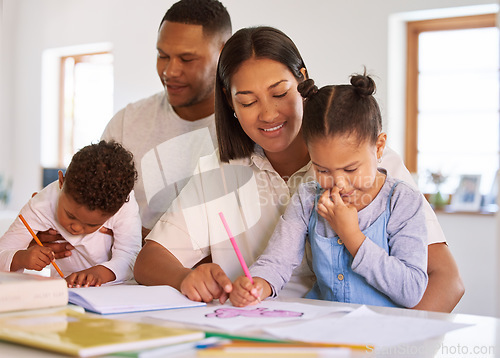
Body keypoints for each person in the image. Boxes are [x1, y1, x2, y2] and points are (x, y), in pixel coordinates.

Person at [134, 26, 464, 312]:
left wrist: (390, 344)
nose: (267, 114)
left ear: (302, 81)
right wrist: (185, 277)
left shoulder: (373, 166)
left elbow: (447, 281)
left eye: (279, 93)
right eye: (248, 102)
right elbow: (150, 260)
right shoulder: (219, 171)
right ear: (229, 102)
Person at [36, 0, 232, 253]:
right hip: (118, 282)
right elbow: (91, 208)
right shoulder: (128, 122)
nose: (169, 71)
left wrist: (142, 239)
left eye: (186, 58)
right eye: (162, 56)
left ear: (224, 52)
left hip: (208, 285)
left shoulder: (246, 129)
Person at [229, 75, 428, 308]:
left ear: (379, 146)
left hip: (381, 335)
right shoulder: (307, 199)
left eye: (351, 169)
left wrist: (352, 236)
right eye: (322, 169)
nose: (339, 183)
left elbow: (412, 290)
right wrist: (259, 284)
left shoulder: (401, 200)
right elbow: (278, 260)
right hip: (324, 331)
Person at [0, 141, 142, 287]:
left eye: (92, 224)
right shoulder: (40, 205)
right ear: (61, 181)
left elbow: (131, 257)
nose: (76, 228)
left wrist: (98, 274)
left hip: (115, 292)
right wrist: (20, 258)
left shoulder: (123, 204)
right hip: (64, 292)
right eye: (70, 215)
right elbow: (2, 252)